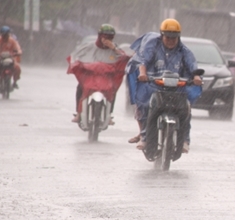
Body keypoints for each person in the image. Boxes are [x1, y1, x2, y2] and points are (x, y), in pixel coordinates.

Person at [125, 18, 203, 153]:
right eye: (168, 37)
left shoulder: (184, 51)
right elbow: (143, 61)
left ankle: (184, 140)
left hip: (176, 88)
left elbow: (193, 66)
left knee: (186, 109)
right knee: (145, 106)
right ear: (162, 35)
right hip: (153, 85)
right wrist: (143, 74)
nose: (171, 41)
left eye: (174, 37)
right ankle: (145, 136)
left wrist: (196, 77)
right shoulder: (152, 46)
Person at [67, 24, 127, 124]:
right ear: (100, 36)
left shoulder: (115, 48)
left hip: (106, 77)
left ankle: (109, 115)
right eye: (104, 36)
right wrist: (79, 65)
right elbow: (75, 57)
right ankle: (78, 113)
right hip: (90, 76)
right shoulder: (89, 47)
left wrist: (113, 48)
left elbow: (124, 58)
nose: (107, 39)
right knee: (80, 87)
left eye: (110, 36)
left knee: (112, 89)